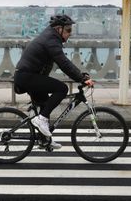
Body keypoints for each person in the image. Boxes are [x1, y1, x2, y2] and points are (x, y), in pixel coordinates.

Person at [14, 14, 94, 149]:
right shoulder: (51, 40)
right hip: (27, 77)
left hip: (29, 76)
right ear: (59, 29)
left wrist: (80, 76)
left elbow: (62, 63)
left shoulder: (50, 37)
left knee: (46, 106)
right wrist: (81, 78)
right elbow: (63, 63)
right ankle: (41, 120)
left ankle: (45, 140)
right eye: (68, 30)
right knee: (62, 89)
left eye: (71, 30)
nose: (70, 33)